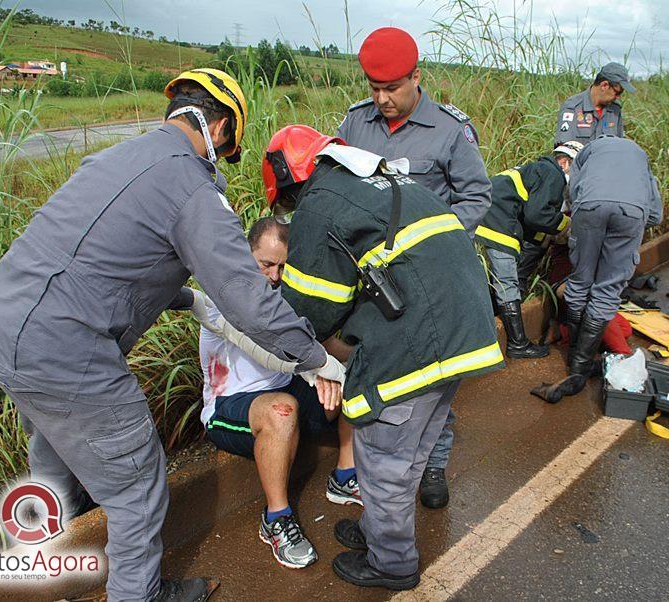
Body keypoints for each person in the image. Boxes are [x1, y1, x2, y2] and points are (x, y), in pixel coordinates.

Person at [0, 69, 344, 602]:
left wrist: (183, 296)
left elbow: (99, 256)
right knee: (136, 485)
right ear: (218, 129)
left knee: (54, 462)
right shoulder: (192, 184)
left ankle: (60, 579)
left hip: (1, 325)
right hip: (66, 344)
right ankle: (138, 594)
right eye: (228, 147)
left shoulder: (115, 159)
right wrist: (314, 358)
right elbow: (245, 295)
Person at [263, 125, 504, 590]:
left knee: (383, 460)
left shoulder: (320, 199)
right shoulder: (385, 179)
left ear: (290, 181)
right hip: (464, 331)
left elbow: (313, 307)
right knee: (411, 452)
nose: (293, 211)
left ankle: (392, 564)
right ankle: (378, 532)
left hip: (419, 342)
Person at [336, 26, 492, 509]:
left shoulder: (449, 130)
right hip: (372, 284)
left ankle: (432, 466)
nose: (382, 98)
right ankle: (377, 472)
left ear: (416, 78)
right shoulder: (355, 125)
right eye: (374, 88)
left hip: (430, 286)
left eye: (392, 88)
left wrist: (435, 241)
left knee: (433, 379)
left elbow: (477, 196)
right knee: (378, 377)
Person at [185, 218, 359, 570]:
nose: (275, 276)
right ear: (246, 255)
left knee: (355, 379)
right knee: (283, 409)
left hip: (287, 391)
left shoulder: (285, 294)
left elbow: (317, 342)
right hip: (230, 407)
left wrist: (363, 361)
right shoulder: (226, 297)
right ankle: (276, 519)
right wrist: (318, 371)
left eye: (282, 266)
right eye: (266, 264)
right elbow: (270, 348)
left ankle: (344, 475)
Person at [531, 136, 662, 404]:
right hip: (631, 212)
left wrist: (590, 213)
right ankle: (581, 369)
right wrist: (627, 231)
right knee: (606, 293)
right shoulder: (639, 155)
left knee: (580, 283)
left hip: (589, 207)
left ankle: (575, 365)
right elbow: (656, 214)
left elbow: (574, 193)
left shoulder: (587, 152)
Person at [518, 62, 636, 300]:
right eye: (617, 90)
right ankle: (532, 282)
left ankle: (587, 283)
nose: (618, 96)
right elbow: (565, 150)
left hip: (602, 186)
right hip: (574, 183)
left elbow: (619, 147)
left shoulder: (615, 112)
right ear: (604, 85)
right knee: (555, 233)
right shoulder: (573, 107)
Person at [475, 141, 582, 358]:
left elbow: (530, 215)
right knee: (507, 283)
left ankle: (486, 328)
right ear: (564, 162)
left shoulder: (536, 169)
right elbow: (536, 215)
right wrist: (564, 224)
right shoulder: (554, 174)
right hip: (498, 223)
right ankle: (518, 345)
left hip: (489, 217)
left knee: (499, 281)